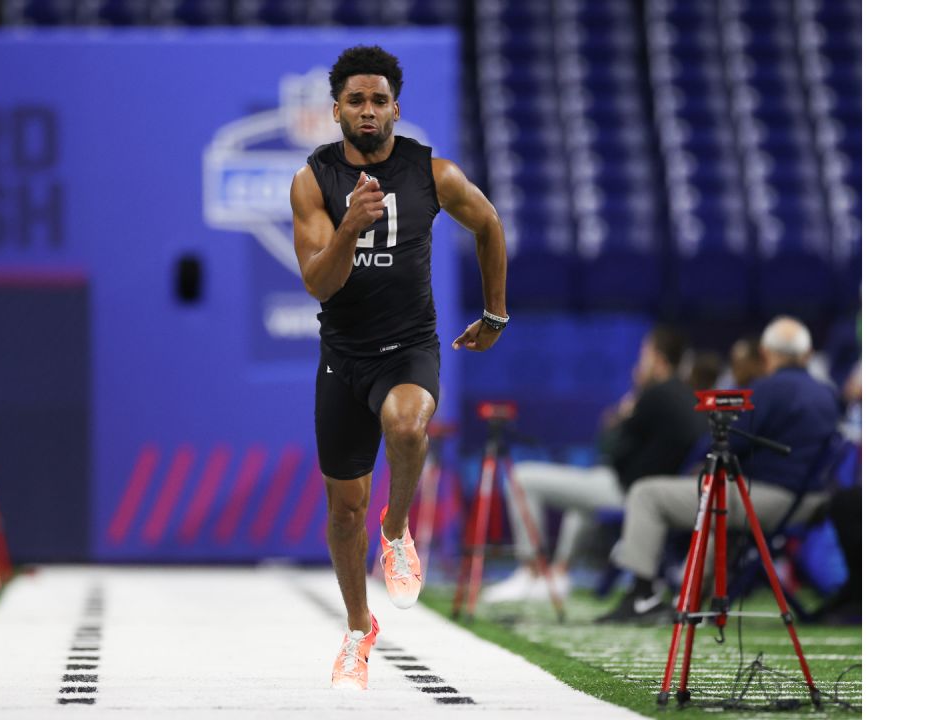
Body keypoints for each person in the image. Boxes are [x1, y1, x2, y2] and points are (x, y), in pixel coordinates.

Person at [289, 45, 508, 690]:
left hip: (410, 346)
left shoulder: (430, 172)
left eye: (378, 100)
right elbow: (317, 284)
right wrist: (350, 226)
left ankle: (399, 529)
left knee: (408, 425)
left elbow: (489, 224)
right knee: (343, 512)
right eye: (355, 100)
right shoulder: (313, 179)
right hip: (344, 357)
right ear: (336, 110)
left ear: (395, 108)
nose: (367, 110)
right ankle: (358, 630)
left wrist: (495, 314)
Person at [596, 316, 842, 623]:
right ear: (806, 354)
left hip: (770, 499)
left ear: (766, 353)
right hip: (812, 501)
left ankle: (642, 596)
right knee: (716, 512)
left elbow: (723, 442)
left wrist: (689, 469)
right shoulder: (828, 393)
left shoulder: (767, 390)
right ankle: (695, 600)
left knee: (647, 493)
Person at [480, 326, 705, 603]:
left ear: (658, 359)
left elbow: (611, 450)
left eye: (644, 353)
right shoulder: (683, 394)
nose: (640, 360)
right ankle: (560, 573)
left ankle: (532, 572)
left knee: (521, 477)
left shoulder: (654, 394)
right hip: (643, 486)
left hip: (626, 490)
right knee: (585, 492)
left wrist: (624, 413)